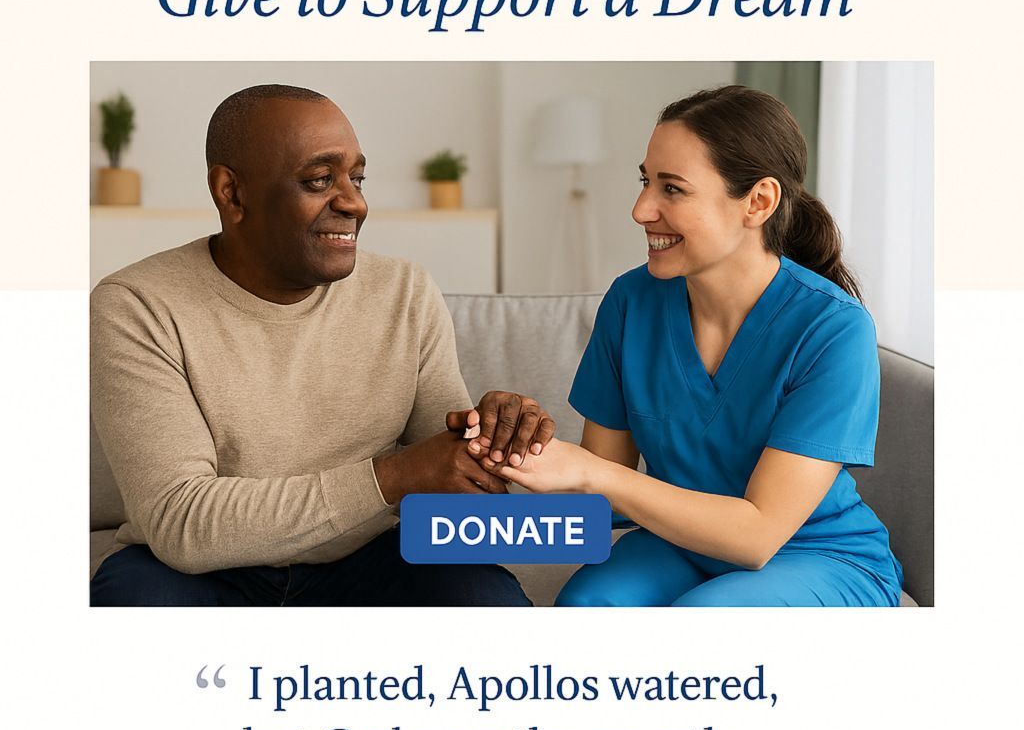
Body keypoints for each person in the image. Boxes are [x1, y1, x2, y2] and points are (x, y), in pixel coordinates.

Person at [90, 84, 554, 607]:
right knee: (137, 603)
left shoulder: (404, 292)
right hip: (200, 573)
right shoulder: (137, 304)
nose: (355, 203)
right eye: (319, 180)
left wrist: (493, 441)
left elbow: (452, 486)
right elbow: (181, 522)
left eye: (357, 178)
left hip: (372, 557)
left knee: (484, 598)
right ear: (231, 193)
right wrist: (391, 477)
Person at [479, 85, 903, 607]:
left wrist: (591, 472)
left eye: (672, 189)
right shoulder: (631, 302)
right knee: (587, 607)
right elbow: (597, 502)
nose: (641, 209)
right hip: (679, 543)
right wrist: (508, 455)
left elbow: (756, 537)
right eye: (646, 181)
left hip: (813, 554)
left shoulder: (833, 329)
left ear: (758, 202)